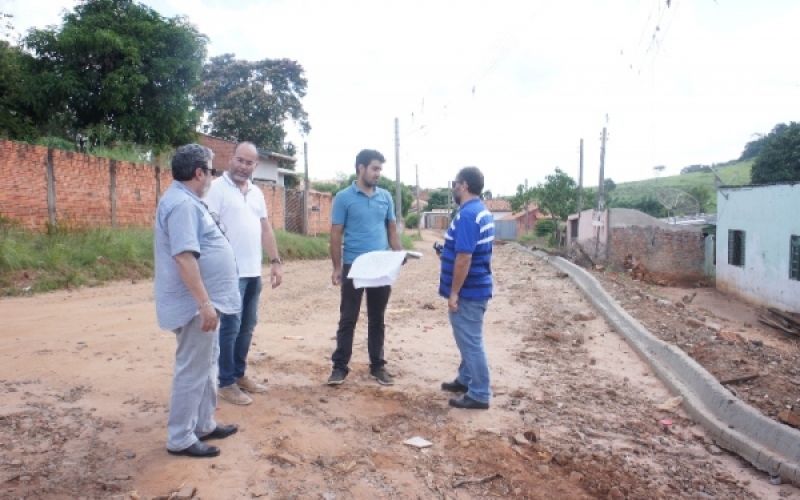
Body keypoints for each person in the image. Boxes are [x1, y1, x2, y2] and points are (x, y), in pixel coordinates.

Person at [154, 143, 241, 458]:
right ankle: (180, 437)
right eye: (212, 171)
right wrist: (204, 303)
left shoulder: (188, 200)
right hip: (194, 305)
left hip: (204, 302)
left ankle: (203, 423)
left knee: (207, 363)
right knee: (193, 368)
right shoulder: (182, 205)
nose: (214, 178)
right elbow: (184, 257)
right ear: (199, 173)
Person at [204, 142, 283, 406]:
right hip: (228, 273)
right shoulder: (215, 189)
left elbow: (265, 229)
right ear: (231, 158)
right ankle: (225, 382)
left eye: (249, 163)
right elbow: (208, 228)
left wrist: (275, 260)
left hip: (252, 271)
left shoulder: (258, 193)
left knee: (247, 326)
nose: (243, 166)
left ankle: (238, 375)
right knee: (229, 327)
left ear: (255, 166)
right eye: (239, 160)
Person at [327, 149, 403, 386]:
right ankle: (339, 368)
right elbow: (336, 234)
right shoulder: (343, 197)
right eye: (374, 168)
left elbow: (391, 229)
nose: (378, 173)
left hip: (380, 266)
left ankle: (378, 367)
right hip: (354, 265)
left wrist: (399, 254)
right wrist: (337, 267)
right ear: (361, 168)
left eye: (380, 169)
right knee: (348, 317)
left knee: (377, 318)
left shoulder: (385, 197)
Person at [438, 167, 495, 410]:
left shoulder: (468, 215)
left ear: (463, 186)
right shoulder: (479, 211)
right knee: (467, 339)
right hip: (475, 288)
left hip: (469, 292)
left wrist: (454, 293)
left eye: (454, 183)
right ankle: (466, 379)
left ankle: (480, 393)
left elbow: (464, 258)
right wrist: (445, 253)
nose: (452, 188)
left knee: (470, 341)